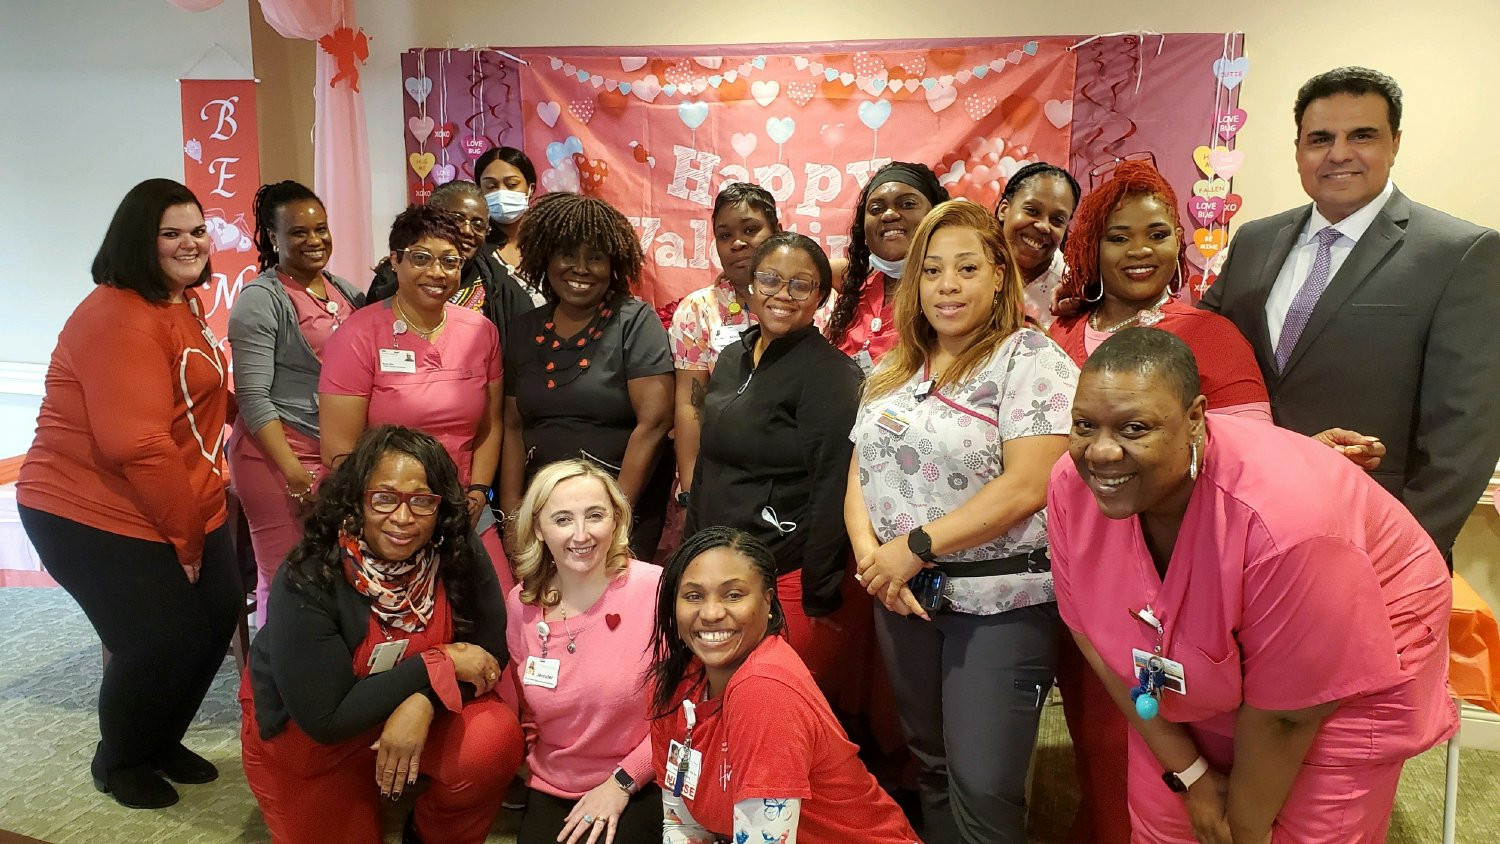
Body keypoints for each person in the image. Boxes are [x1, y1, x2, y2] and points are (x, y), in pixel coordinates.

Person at [1049, 327, 1457, 842]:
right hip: (1194, 669)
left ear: (1195, 418)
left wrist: (1245, 826)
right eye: (1085, 425)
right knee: (1165, 820)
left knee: (1295, 828)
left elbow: (1291, 715)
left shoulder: (1285, 519)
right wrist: (1192, 775)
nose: (1101, 453)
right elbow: (1091, 631)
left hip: (1341, 677)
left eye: (1134, 428)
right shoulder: (1072, 485)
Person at [847, 200, 1077, 843]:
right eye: (933, 270)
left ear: (999, 275)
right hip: (901, 596)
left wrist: (914, 546)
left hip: (998, 602)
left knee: (985, 786)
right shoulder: (892, 372)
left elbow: (1028, 484)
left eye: (967, 268)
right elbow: (859, 473)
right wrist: (874, 557)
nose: (947, 285)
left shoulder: (1028, 359)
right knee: (932, 770)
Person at [1200, 66, 1500, 559]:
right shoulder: (1255, 240)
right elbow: (1201, 343)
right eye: (1320, 138)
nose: (1339, 153)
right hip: (1237, 527)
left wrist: (1407, 551)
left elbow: (1464, 431)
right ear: (1298, 149)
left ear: (1395, 143)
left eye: (1362, 135)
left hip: (1371, 538)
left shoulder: (1457, 252)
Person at [17, 178, 241, 809]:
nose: (189, 243)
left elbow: (198, 400)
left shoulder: (180, 303)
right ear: (137, 241)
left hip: (184, 496)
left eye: (197, 230)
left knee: (213, 623)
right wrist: (186, 535)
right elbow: (137, 444)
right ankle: (118, 760)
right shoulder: (116, 315)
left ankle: (158, 741)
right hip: (89, 508)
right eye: (170, 233)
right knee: (156, 639)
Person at [240, 425, 523, 844]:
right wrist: (439, 663)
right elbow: (326, 719)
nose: (403, 518)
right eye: (384, 498)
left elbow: (489, 655)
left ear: (440, 506)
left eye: (422, 501)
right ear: (357, 500)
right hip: (310, 740)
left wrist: (423, 702)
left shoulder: (454, 548)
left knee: (493, 740)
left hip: (403, 711)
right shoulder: (308, 576)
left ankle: (431, 832)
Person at [648, 527, 920, 844]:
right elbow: (684, 826)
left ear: (769, 602)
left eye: (733, 595)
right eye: (693, 596)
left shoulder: (764, 690)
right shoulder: (673, 685)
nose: (711, 613)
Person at [683, 231, 860, 685]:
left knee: (767, 701)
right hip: (717, 568)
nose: (783, 294)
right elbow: (708, 464)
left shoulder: (832, 375)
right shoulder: (730, 359)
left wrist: (817, 596)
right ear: (752, 287)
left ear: (820, 297)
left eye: (801, 285)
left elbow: (831, 491)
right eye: (771, 280)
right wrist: (689, 555)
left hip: (784, 575)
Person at [320, 204, 510, 592]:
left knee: (501, 609)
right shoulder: (359, 335)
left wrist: (478, 492)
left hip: (464, 506)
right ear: (395, 261)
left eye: (449, 261)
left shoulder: (480, 331)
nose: (436, 272)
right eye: (421, 258)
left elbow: (490, 426)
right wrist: (389, 511)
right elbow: (339, 451)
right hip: (390, 512)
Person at [500, 192, 674, 560]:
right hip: (543, 511)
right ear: (545, 258)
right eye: (567, 255)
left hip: (619, 508)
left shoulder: (635, 321)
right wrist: (514, 518)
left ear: (613, 265)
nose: (580, 268)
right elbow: (513, 427)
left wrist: (613, 515)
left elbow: (655, 424)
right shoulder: (523, 329)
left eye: (595, 258)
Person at [229, 180, 365, 627]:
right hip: (277, 457)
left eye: (321, 229)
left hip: (333, 454)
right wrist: (294, 474)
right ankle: (271, 688)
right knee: (286, 575)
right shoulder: (260, 301)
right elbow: (251, 396)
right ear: (273, 237)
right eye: (299, 232)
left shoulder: (343, 291)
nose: (315, 241)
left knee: (332, 574)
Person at [505, 459, 663, 844]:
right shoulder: (521, 604)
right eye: (562, 519)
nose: (581, 535)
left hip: (641, 779)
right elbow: (525, 710)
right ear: (539, 529)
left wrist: (623, 782)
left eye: (595, 516)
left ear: (616, 520)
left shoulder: (656, 590)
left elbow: (684, 709)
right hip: (551, 784)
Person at [668, 182, 781, 499]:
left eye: (751, 229)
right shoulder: (698, 310)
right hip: (722, 477)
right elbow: (691, 404)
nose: (738, 243)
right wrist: (691, 487)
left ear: (777, 231)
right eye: (725, 235)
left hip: (796, 474)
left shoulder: (811, 301)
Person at [368, 179, 534, 351]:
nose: (467, 231)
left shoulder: (504, 289)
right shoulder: (389, 278)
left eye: (478, 224)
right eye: (457, 219)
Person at [825, 161, 950, 373]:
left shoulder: (951, 294)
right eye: (876, 209)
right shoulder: (854, 287)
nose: (889, 214)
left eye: (907, 204)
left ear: (937, 215)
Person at [995, 161, 1080, 329]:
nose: (1043, 226)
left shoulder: (1073, 292)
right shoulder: (970, 266)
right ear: (1004, 210)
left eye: (1057, 220)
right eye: (1032, 211)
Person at [476, 146, 540, 302]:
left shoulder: (548, 241)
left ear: (530, 189)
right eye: (491, 186)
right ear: (479, 191)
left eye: (511, 184)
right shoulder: (474, 246)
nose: (501, 192)